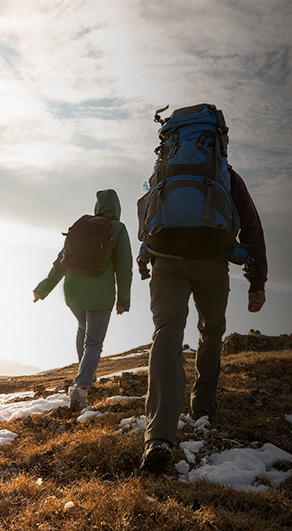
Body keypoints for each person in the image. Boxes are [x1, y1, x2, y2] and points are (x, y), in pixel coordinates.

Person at [141, 166, 267, 473]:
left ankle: (158, 438)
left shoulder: (164, 170)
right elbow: (251, 226)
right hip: (212, 261)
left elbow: (146, 213)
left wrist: (148, 255)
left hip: (166, 262)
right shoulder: (224, 174)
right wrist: (257, 282)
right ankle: (203, 403)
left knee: (167, 332)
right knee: (211, 329)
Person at [34, 190, 132, 409]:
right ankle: (81, 388)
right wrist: (124, 299)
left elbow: (61, 261)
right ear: (117, 208)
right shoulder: (118, 229)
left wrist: (43, 288)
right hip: (101, 295)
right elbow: (124, 268)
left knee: (82, 329)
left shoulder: (82, 226)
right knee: (94, 342)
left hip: (74, 293)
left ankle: (86, 374)